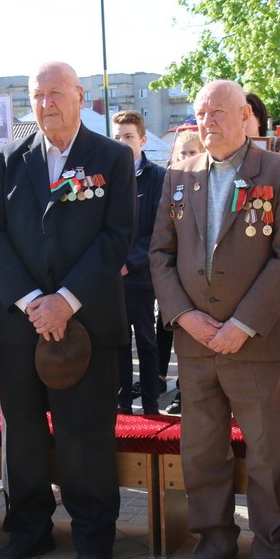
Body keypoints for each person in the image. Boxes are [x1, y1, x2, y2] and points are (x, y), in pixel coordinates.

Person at [0, 61, 135, 559]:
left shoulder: (111, 157)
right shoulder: (9, 158)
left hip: (86, 321)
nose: (46, 103)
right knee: (22, 431)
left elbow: (117, 236)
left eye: (56, 93)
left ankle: (92, 538)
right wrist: (30, 301)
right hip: (23, 325)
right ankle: (28, 530)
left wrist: (66, 300)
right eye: (38, 95)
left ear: (80, 96)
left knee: (84, 432)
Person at [150, 79, 280, 559]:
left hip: (255, 344)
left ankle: (269, 550)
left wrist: (242, 324)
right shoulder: (180, 174)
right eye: (200, 113)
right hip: (195, 343)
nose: (207, 122)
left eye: (218, 112)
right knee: (201, 451)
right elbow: (160, 255)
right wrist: (184, 316)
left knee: (265, 453)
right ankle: (214, 543)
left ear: (246, 117)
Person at [113, 110, 165, 415]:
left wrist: (129, 262)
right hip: (112, 277)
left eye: (128, 136)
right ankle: (122, 404)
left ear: (142, 139)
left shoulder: (157, 177)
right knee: (118, 341)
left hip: (142, 277)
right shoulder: (105, 176)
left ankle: (150, 404)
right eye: (117, 137)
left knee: (146, 342)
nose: (122, 142)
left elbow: (160, 230)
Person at [159, 130, 206, 415]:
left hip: (208, 281)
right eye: (183, 153)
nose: (187, 158)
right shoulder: (172, 182)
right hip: (180, 283)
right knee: (182, 345)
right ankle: (182, 390)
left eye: (193, 152)